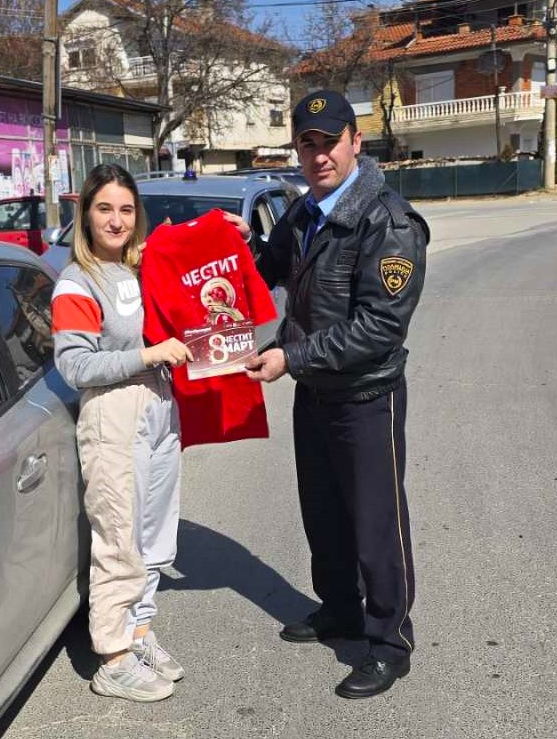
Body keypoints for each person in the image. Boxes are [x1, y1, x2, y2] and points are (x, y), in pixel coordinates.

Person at [242, 90, 430, 699]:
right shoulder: (302, 214)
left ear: (356, 141)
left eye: (330, 142)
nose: (319, 155)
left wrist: (290, 356)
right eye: (308, 143)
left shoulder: (388, 221)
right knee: (322, 512)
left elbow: (380, 327)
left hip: (366, 396)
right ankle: (341, 609)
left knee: (376, 522)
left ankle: (389, 641)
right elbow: (264, 271)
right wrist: (223, 247)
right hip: (315, 391)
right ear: (297, 149)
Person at [51, 163, 193, 702]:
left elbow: (196, 274)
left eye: (126, 209)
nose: (116, 220)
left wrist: (230, 234)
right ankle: (112, 657)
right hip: (113, 413)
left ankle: (139, 631)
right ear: (86, 215)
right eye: (104, 208)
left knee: (155, 535)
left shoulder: (138, 266)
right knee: (118, 536)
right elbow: (76, 366)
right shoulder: (78, 281)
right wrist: (148, 355)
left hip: (158, 406)